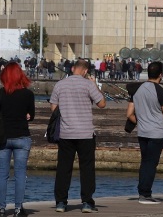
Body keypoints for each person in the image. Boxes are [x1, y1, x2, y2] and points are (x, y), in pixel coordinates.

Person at [49, 58, 107, 213]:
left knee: (63, 168)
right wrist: (94, 84)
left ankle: (61, 202)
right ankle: (87, 202)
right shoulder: (88, 84)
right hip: (85, 133)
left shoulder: (60, 84)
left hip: (66, 133)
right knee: (87, 168)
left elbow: (53, 108)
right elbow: (102, 103)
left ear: (73, 68)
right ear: (86, 71)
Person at [126, 61, 163, 204]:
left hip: (142, 132)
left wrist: (141, 120)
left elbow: (129, 114)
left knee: (145, 162)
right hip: (157, 133)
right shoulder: (161, 92)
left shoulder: (137, 90)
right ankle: (145, 194)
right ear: (160, 75)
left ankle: (142, 191)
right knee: (151, 164)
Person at [0, 62, 36, 217]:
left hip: (3, 137)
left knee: (2, 174)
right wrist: (25, 115)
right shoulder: (28, 94)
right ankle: (18, 209)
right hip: (21, 137)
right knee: (20, 174)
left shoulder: (1, 93)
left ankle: (1, 209)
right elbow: (31, 116)